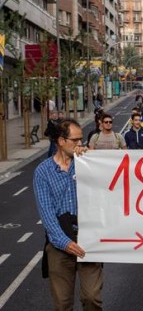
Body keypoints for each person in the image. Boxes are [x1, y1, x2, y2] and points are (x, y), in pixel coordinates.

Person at [33, 119, 103, 310]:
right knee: (63, 303)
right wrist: (65, 242)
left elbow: (106, 185)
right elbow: (46, 213)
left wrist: (92, 159)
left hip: (88, 238)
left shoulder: (86, 163)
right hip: (60, 242)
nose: (80, 144)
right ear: (61, 141)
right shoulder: (43, 172)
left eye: (81, 140)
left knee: (92, 298)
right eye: (75, 140)